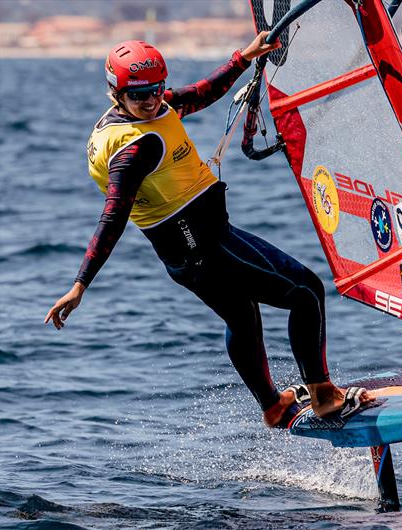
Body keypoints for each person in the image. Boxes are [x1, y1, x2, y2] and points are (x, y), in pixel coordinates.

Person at [45, 33, 372, 428]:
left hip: (184, 256)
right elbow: (112, 216)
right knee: (305, 291)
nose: (150, 101)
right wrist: (81, 284)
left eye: (156, 90)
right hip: (205, 244)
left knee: (242, 316)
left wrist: (243, 58)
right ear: (117, 93)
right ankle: (324, 396)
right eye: (138, 95)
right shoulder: (137, 148)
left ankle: (273, 405)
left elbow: (199, 94)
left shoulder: (135, 115)